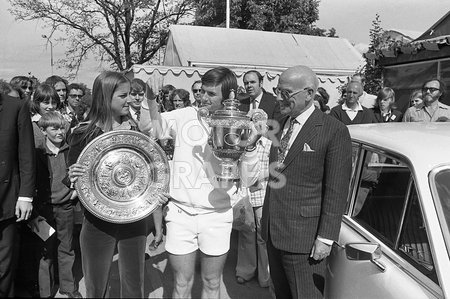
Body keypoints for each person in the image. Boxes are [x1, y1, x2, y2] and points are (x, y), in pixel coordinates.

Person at [140, 66, 261, 298]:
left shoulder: (240, 123)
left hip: (217, 215)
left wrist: (251, 146)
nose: (203, 97)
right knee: (181, 284)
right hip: (180, 213)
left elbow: (249, 179)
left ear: (229, 97)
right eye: (202, 91)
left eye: (211, 94)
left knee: (212, 282)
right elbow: (148, 127)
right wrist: (150, 98)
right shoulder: (184, 115)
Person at [67, 71, 165, 298]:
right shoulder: (82, 133)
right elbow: (74, 179)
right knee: (95, 287)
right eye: (123, 95)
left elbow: (150, 172)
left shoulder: (135, 132)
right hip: (96, 223)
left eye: (130, 94)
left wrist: (155, 192)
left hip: (134, 221)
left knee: (134, 286)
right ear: (105, 97)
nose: (130, 99)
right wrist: (74, 175)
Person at [261, 65, 352, 299]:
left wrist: (326, 237)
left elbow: (336, 190)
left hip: (304, 238)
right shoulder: (280, 122)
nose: (279, 98)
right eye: (277, 90)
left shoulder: (333, 130)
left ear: (309, 93)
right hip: (274, 230)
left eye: (286, 93)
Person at [32, 112, 81, 298]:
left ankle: (68, 287)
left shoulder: (71, 152)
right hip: (42, 210)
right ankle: (45, 291)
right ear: (43, 130)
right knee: (45, 250)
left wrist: (74, 193)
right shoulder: (37, 153)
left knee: (66, 247)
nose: (60, 132)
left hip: (65, 208)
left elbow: (79, 176)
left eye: (62, 128)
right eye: (55, 128)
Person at [0, 91, 35, 297]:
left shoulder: (16, 107)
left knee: (4, 266)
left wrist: (25, 195)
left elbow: (26, 154)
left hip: (6, 200)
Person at [235, 135, 271, 288]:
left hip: (263, 196)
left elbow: (279, 166)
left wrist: (259, 177)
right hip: (245, 195)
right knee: (246, 234)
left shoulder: (269, 145)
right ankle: (245, 271)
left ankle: (265, 276)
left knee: (263, 237)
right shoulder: (240, 145)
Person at [30, 83, 61, 148]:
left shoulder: (62, 121)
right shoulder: (32, 124)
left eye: (54, 103)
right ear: (37, 103)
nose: (51, 106)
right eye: (46, 103)